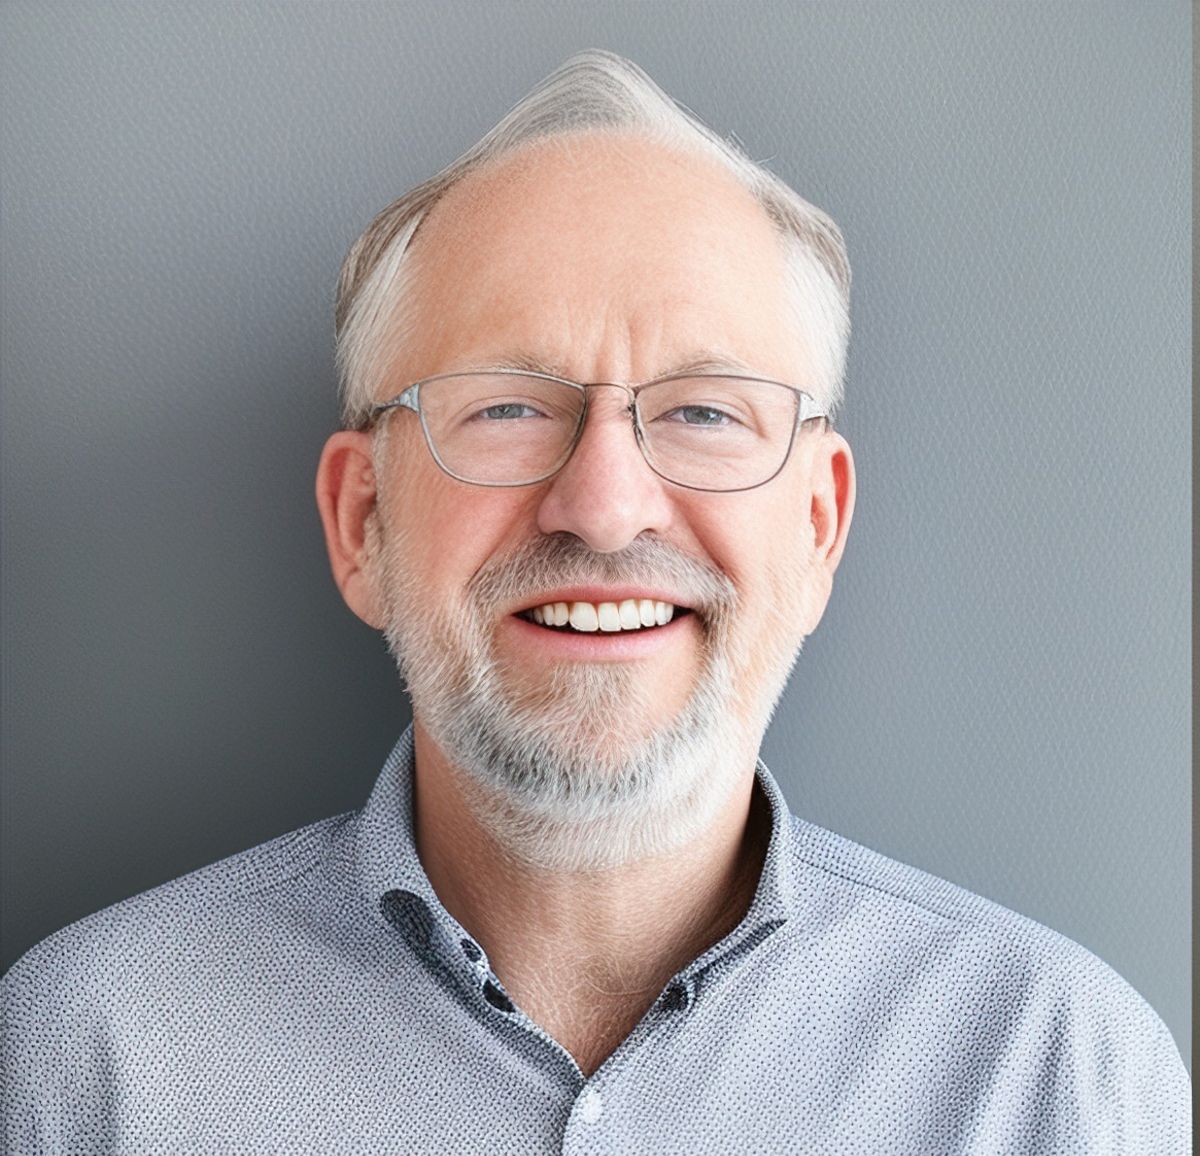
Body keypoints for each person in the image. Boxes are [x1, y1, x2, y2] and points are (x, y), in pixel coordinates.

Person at [2, 50, 1188, 1155]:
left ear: (819, 526)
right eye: (507, 408)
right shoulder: (87, 1068)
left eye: (705, 411)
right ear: (362, 522)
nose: (606, 506)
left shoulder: (1059, 1081)